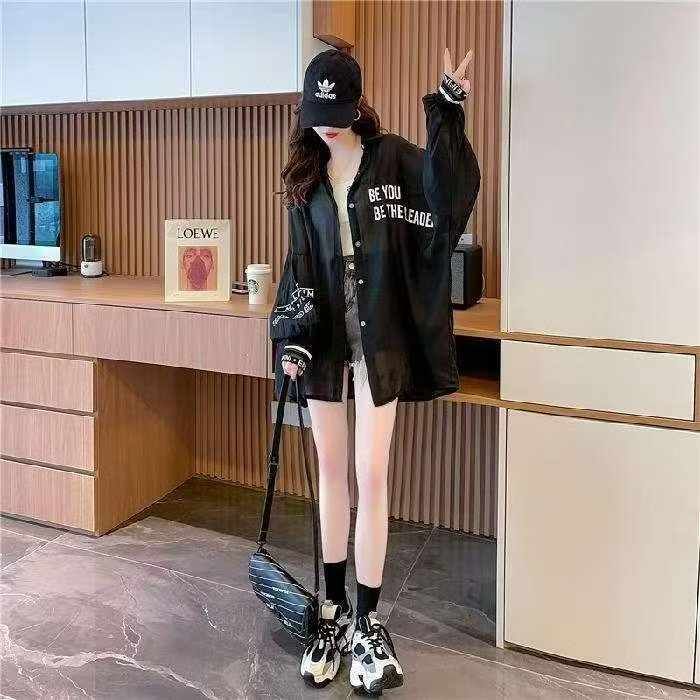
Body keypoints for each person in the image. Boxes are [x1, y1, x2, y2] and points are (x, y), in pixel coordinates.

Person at [269, 47, 480, 695]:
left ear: (358, 104)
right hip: (324, 342)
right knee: (331, 472)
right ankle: (332, 614)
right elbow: (299, 265)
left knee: (372, 474)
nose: (327, 127)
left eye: (336, 114)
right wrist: (291, 337)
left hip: (380, 339)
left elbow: (450, 200)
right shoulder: (306, 175)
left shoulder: (393, 160)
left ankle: (368, 620)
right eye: (317, 115)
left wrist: (448, 112)